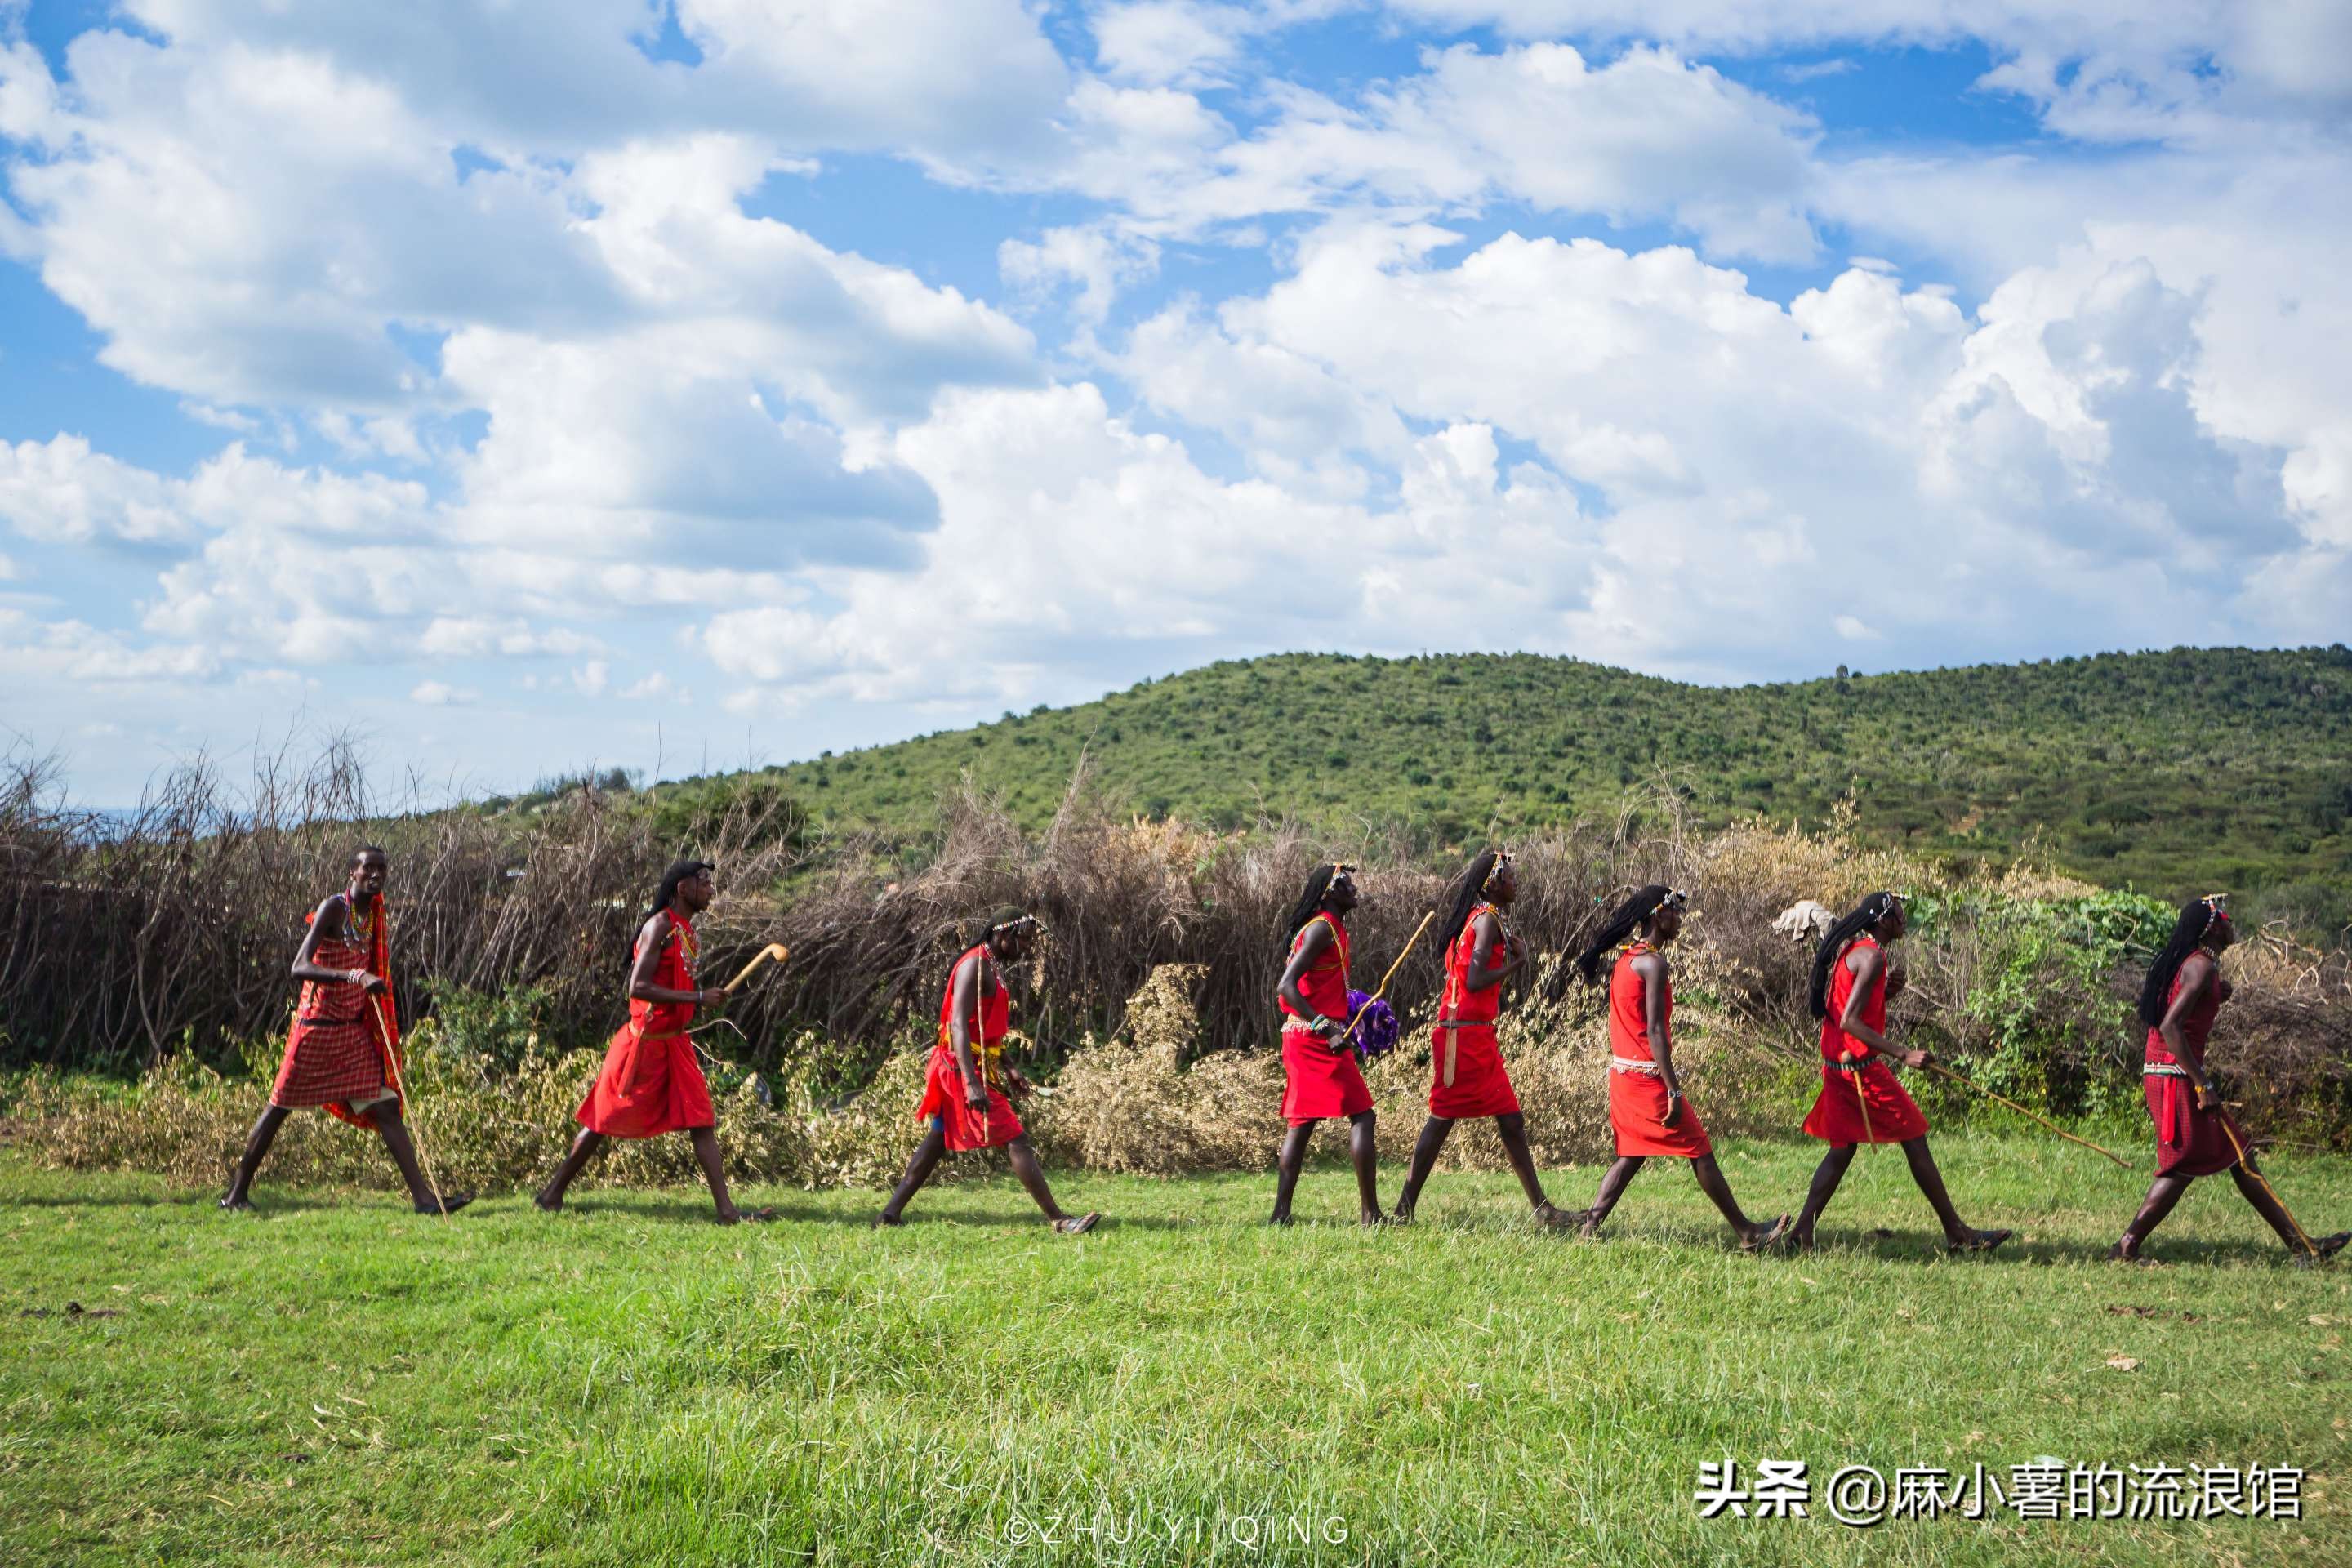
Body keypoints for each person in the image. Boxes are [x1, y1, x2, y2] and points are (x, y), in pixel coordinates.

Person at [220, 847, 471, 1214]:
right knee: (278, 1109)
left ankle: (424, 1200)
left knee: (386, 1108)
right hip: (317, 1029)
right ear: (352, 873)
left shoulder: (373, 913)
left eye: (381, 868)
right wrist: (353, 975)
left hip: (351, 1031)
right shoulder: (333, 908)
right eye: (368, 867)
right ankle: (236, 1194)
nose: (376, 874)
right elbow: (299, 966)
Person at [2110, 897, 2349, 1265]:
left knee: (2242, 1158)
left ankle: (2302, 1245)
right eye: (2224, 917)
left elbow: (2188, 1002)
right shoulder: (2200, 966)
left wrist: (2219, 992)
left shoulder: (2198, 967)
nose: (2231, 921)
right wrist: (2203, 1084)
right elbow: (2171, 1026)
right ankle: (2126, 1246)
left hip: (2169, 1074)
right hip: (2177, 1079)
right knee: (2183, 1164)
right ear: (2211, 928)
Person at [536, 860, 771, 1223]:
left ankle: (727, 1211)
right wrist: (695, 998)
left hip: (674, 1043)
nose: (711, 889)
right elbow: (638, 987)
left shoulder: (685, 930)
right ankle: (552, 1194)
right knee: (603, 1120)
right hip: (642, 1045)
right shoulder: (659, 926)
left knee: (700, 1119)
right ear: (683, 888)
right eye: (704, 882)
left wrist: (696, 1000)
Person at [1570, 885, 1788, 1250]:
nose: (1680, 920)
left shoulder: (1628, 959)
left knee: (1631, 1155)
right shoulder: (1653, 963)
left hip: (1623, 1076)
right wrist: (1673, 1089)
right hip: (1646, 1080)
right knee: (1698, 1148)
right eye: (1675, 913)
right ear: (1659, 915)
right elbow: (1655, 1031)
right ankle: (1748, 1234)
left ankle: (1588, 1230)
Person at [1789, 892, 2009, 1253]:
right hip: (1860, 1072)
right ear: (1884, 918)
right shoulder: (1872, 956)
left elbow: (1848, 1009)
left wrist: (1886, 993)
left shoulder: (1858, 950)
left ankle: (1802, 1232)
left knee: (1842, 1150)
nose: (1905, 918)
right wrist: (1904, 1053)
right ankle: (1958, 1234)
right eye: (1900, 913)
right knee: (1914, 1136)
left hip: (1839, 1067)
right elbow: (1850, 1021)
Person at [877, 909, 1098, 1232]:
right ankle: (1059, 1220)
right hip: (959, 1068)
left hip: (975, 1065)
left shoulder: (992, 965)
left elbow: (985, 1029)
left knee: (938, 1138)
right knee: (1017, 1138)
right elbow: (957, 1027)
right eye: (1023, 939)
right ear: (1002, 934)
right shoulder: (974, 966)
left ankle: (890, 1214)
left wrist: (1009, 1067)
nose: (1027, 947)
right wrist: (971, 1083)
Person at [1393, 850, 1576, 1227]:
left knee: (1510, 1120)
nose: (1514, 882)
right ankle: (1403, 1209)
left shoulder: (1477, 919)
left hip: (1472, 1033)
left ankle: (1543, 1210)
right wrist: (1517, 965)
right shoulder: (1487, 921)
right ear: (1492, 884)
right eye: (1509, 876)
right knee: (1442, 1119)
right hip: (1464, 1038)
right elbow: (1474, 980)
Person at [1268, 864, 1386, 1227]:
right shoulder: (1321, 928)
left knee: (1302, 1124)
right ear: (1328, 893)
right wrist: (1326, 1027)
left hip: (1303, 1036)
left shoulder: (1332, 930)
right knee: (1363, 1114)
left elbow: (1318, 986)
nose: (1354, 888)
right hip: (1314, 1039)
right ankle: (1371, 1216)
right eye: (1345, 884)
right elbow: (1286, 986)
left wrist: (1351, 1008)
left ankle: (1280, 1216)